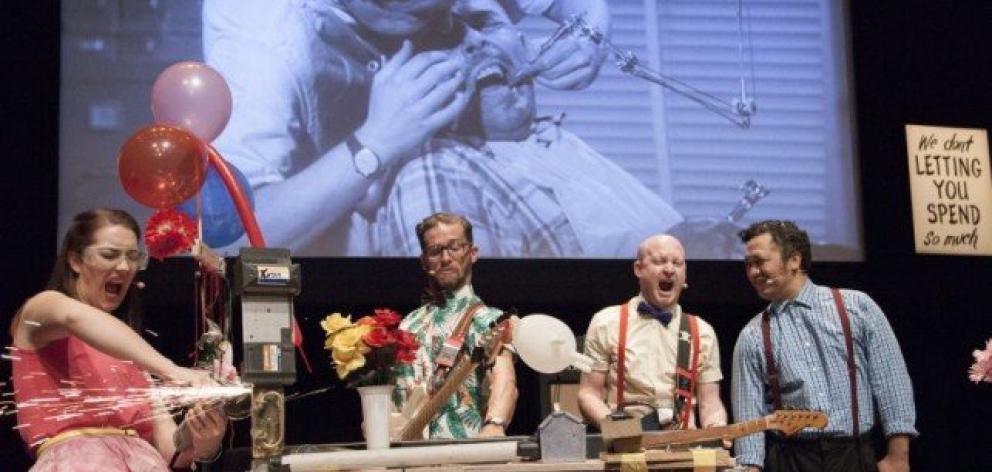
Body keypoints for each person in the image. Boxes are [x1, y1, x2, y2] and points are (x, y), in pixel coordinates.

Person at [202, 0, 611, 256]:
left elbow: (582, 6)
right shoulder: (263, 34)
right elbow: (228, 240)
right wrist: (374, 146)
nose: (461, 33)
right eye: (418, 11)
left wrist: (589, 38)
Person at [371, 4, 683, 257]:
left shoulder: (558, 146)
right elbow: (458, 314)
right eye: (446, 40)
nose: (475, 42)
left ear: (524, 45)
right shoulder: (435, 173)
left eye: (484, 24)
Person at [9, 209, 227, 471]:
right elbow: (74, 317)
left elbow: (171, 452)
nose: (124, 267)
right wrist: (173, 371)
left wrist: (203, 439)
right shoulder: (43, 307)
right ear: (75, 260)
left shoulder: (132, 353)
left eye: (133, 257)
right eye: (109, 255)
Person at [731, 220, 916, 472]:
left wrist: (898, 456)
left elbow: (891, 380)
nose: (753, 272)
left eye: (760, 261)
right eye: (748, 264)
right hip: (791, 460)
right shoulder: (752, 335)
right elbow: (748, 417)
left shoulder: (856, 307)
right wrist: (750, 467)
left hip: (854, 456)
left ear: (794, 260)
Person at [577, 234, 727, 432]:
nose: (669, 269)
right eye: (659, 261)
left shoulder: (702, 332)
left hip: (682, 442)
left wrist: (716, 427)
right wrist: (619, 431)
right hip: (625, 442)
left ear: (685, 273)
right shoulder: (606, 322)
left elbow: (711, 404)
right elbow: (588, 394)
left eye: (677, 263)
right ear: (638, 269)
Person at [391, 212, 518, 438]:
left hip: (462, 452)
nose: (446, 258)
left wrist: (495, 423)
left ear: (473, 253)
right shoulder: (408, 324)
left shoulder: (488, 319)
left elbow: (504, 378)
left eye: (455, 247)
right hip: (405, 451)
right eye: (435, 251)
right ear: (424, 260)